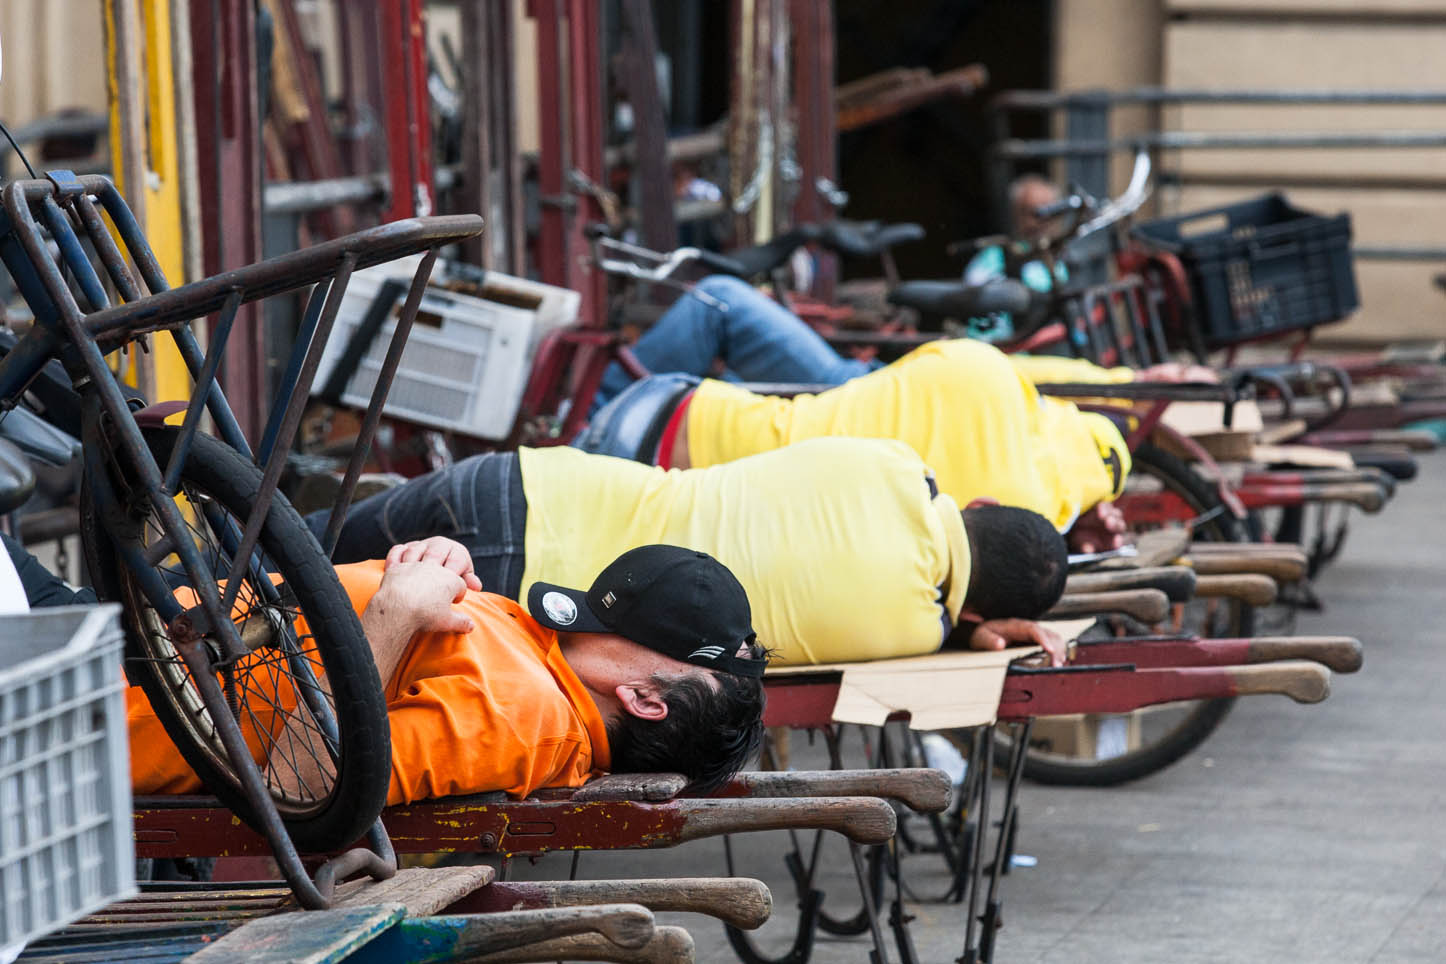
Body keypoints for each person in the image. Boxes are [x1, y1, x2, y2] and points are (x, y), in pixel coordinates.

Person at [310, 437, 1071, 669]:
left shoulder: (896, 462)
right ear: (979, 610)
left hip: (524, 484)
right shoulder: (911, 631)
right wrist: (975, 631)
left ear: (981, 506)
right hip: (518, 604)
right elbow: (937, 617)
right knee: (296, 639)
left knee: (274, 548)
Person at [111, 539, 766, 802]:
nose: (586, 623)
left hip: (97, 696)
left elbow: (299, 786)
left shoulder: (521, 717)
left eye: (619, 629)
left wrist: (396, 610)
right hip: (151, 623)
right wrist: (442, 563)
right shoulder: (548, 665)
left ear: (646, 698)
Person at [580, 336, 1132, 537]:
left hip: (677, 409)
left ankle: (566, 410)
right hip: (661, 477)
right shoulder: (1010, 510)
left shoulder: (983, 367)